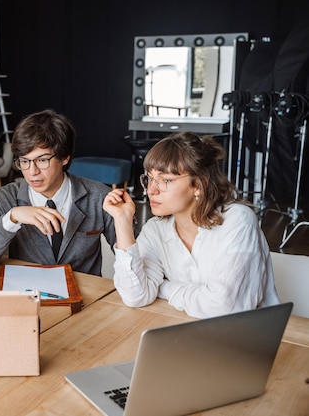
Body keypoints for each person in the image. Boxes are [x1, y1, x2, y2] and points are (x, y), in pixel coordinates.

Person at [103, 131, 280, 318]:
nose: (151, 190)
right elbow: (135, 296)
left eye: (166, 180)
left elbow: (225, 307)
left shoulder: (239, 221)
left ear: (198, 185)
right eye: (149, 178)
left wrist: (164, 287)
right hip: (186, 332)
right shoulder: (155, 229)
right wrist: (122, 221)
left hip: (248, 338)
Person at [0, 109, 117, 275]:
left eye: (42, 160)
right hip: (27, 296)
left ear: (65, 157)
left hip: (87, 298)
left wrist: (124, 220)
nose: (32, 171)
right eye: (24, 161)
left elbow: (138, 262)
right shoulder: (4, 198)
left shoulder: (100, 197)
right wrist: (11, 218)